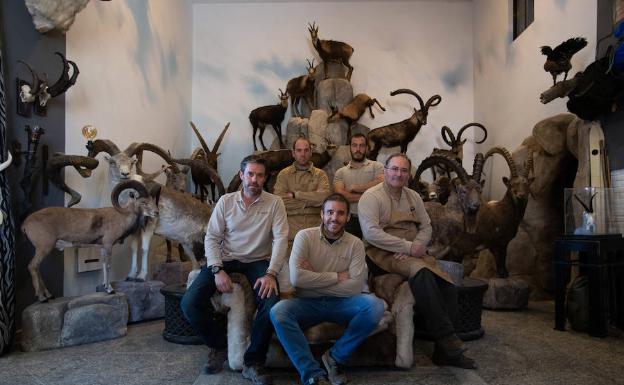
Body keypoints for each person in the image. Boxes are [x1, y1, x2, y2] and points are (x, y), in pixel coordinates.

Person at [357, 153, 476, 369]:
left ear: (409, 174)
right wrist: (407, 247)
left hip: (412, 251)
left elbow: (426, 226)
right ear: (385, 170)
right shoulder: (371, 197)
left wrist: (417, 247)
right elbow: (371, 233)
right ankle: (448, 338)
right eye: (394, 169)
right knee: (422, 273)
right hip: (383, 252)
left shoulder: (414, 196)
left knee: (447, 283)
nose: (398, 174)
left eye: (403, 170)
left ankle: (444, 354)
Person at [181, 155, 289, 385]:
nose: (254, 180)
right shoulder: (226, 202)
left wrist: (271, 273)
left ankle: (253, 362)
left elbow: (281, 239)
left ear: (265, 178)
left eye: (259, 175)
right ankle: (218, 344)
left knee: (271, 305)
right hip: (227, 258)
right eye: (250, 174)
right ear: (242, 175)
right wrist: (217, 269)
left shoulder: (274, 203)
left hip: (258, 260)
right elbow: (212, 238)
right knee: (189, 303)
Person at [270, 193, 385, 385]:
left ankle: (335, 358)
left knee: (375, 306)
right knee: (278, 311)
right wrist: (337, 276)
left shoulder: (356, 244)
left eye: (340, 213)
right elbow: (297, 279)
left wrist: (314, 279)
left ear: (348, 217)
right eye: (330, 212)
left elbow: (356, 286)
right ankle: (312, 374)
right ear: (322, 215)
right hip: (307, 302)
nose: (334, 218)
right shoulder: (304, 237)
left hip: (342, 303)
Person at [274, 137, 331, 295]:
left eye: (306, 150)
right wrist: (309, 201)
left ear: (311, 152)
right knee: (288, 284)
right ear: (293, 153)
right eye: (299, 150)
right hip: (290, 238)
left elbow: (324, 198)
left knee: (320, 284)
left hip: (316, 237)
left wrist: (295, 195)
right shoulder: (283, 175)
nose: (303, 154)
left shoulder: (320, 175)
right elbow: (279, 202)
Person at [333, 133, 384, 239]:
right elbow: (341, 196)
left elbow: (382, 184)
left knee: (372, 253)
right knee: (350, 253)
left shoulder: (377, 166)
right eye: (354, 145)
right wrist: (368, 196)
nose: (358, 149)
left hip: (373, 218)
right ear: (350, 147)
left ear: (366, 148)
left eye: (362, 145)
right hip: (349, 221)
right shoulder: (340, 172)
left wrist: (355, 187)